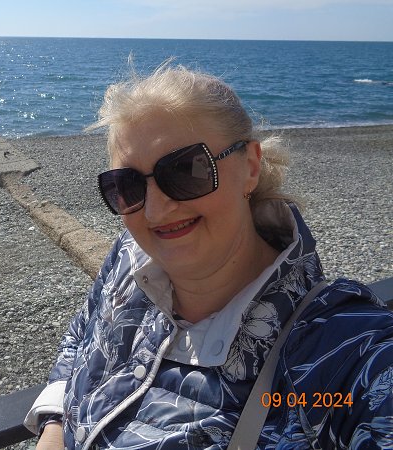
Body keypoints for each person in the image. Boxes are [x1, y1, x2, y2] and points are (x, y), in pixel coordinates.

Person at [24, 64, 393, 449]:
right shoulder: (128, 256)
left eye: (186, 170)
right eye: (127, 185)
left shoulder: (340, 351)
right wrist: (54, 427)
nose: (155, 211)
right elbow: (82, 334)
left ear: (250, 166)